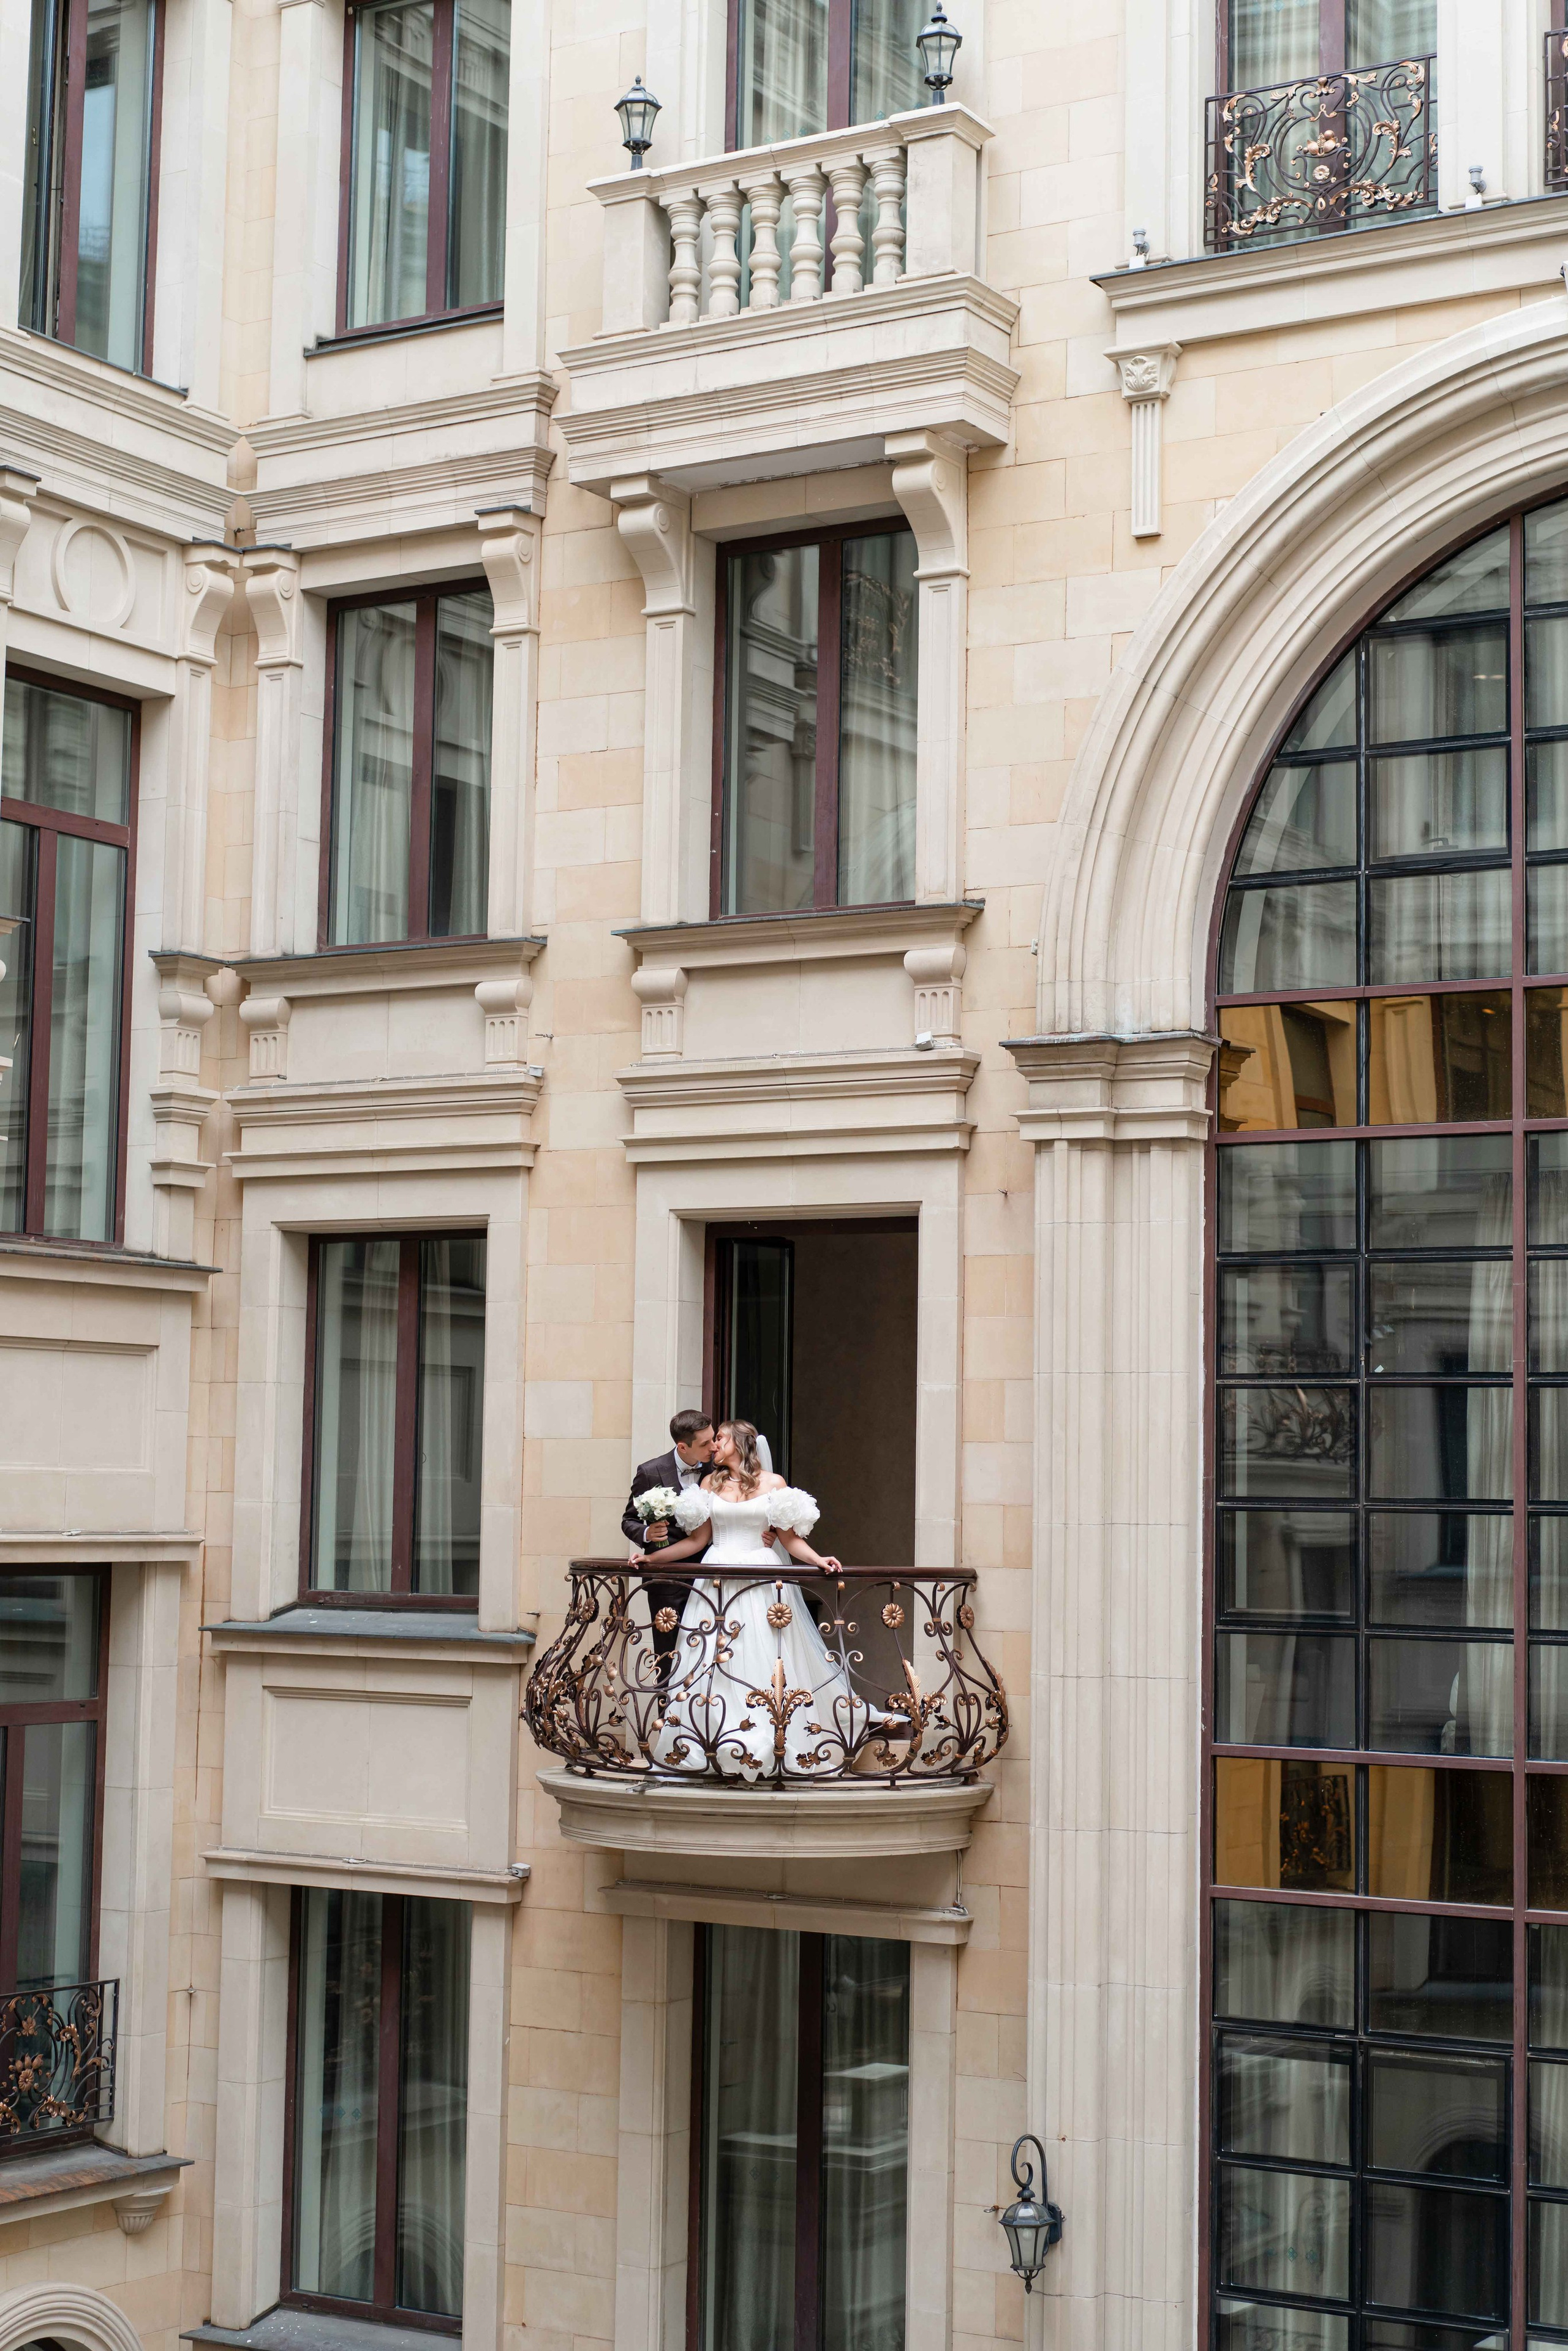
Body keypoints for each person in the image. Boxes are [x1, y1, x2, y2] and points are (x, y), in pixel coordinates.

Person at [630, 1418, 871, 1779]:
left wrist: (820, 1560)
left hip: (761, 1577)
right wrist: (650, 1557)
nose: (713, 1447)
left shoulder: (774, 1485)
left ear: (740, 1443)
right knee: (712, 1655)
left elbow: (789, 1540)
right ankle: (709, 1742)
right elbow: (696, 1543)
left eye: (720, 1440)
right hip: (716, 1578)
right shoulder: (710, 1483)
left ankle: (769, 1741)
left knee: (763, 1655)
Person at [621, 1409, 715, 1667]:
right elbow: (629, 1520)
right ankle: (667, 1708)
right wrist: (646, 1533)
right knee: (668, 1656)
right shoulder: (651, 1472)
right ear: (683, 1447)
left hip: (712, 1576)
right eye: (706, 1443)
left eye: (714, 1438)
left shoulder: (718, 1467)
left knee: (711, 1656)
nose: (714, 1447)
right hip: (667, 1580)